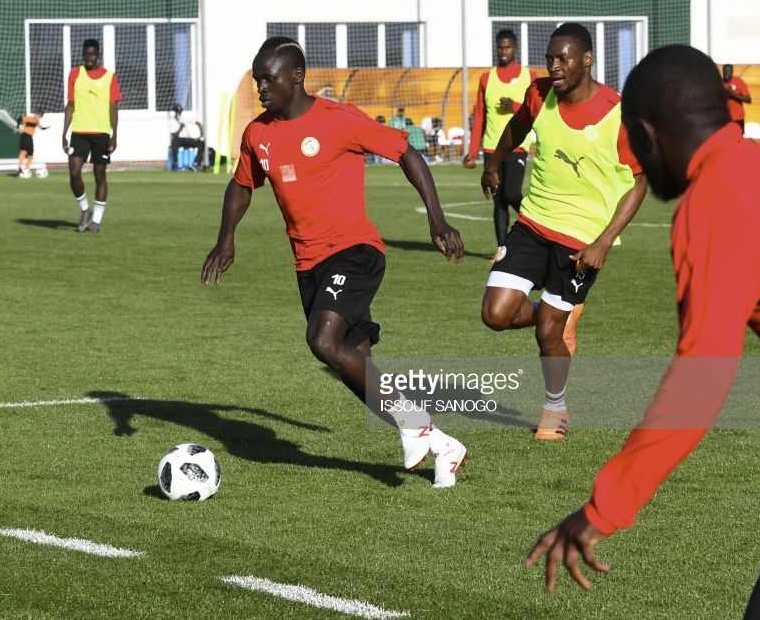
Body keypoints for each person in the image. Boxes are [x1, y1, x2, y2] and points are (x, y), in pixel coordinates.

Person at [524, 44, 760, 617]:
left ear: (646, 133)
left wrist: (602, 509)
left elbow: (701, 377)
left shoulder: (716, 196)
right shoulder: (759, 165)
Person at [201, 37, 469, 487]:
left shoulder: (339, 119)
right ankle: (442, 444)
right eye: (257, 79)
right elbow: (242, 183)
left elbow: (406, 152)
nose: (261, 87)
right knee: (352, 362)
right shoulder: (258, 133)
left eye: (269, 78)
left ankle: (414, 423)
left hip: (355, 250)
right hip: (308, 265)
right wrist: (226, 237)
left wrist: (437, 220)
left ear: (297, 76)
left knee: (322, 340)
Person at [479, 22, 648, 440]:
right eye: (550, 58)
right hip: (534, 221)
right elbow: (517, 127)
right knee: (495, 315)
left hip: (581, 239)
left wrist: (603, 241)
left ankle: (555, 408)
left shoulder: (617, 113)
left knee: (547, 334)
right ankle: (555, 319)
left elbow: (640, 180)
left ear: (587, 60)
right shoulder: (539, 93)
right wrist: (494, 164)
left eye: (563, 58)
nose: (554, 66)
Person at [464, 29, 539, 248]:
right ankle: (502, 251)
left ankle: (534, 222)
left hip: (517, 145)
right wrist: (472, 151)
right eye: (500, 47)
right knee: (498, 202)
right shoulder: (486, 78)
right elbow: (479, 116)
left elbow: (535, 110)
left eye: (507, 47)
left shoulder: (530, 76)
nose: (503, 51)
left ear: (515, 48)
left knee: (512, 193)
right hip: (491, 148)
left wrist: (514, 107)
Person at [61, 38, 121, 233]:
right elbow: (70, 105)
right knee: (74, 171)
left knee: (99, 175)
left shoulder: (109, 77)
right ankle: (85, 209)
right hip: (79, 132)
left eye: (93, 54)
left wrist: (114, 135)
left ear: (98, 55)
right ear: (82, 54)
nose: (89, 57)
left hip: (102, 133)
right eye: (86, 54)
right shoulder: (75, 75)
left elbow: (113, 107)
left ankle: (96, 220)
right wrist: (64, 133)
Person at [168, 103, 205, 171]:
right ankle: (176, 163)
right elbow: (174, 135)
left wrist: (201, 134)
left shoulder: (184, 117)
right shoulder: (172, 121)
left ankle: (195, 163)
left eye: (180, 111)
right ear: (175, 112)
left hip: (187, 139)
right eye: (178, 112)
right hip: (179, 139)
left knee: (201, 143)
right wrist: (180, 128)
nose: (179, 113)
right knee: (174, 142)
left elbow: (197, 123)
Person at [14, 110, 46, 178]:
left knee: (30, 155)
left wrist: (45, 128)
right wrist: (17, 126)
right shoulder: (28, 118)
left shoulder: (37, 122)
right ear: (35, 114)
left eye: (40, 117)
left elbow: (41, 127)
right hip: (25, 136)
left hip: (30, 138)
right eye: (38, 115)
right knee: (23, 152)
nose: (38, 117)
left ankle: (26, 169)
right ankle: (19, 168)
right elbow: (19, 118)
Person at [721, 63, 751, 132]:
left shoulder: (738, 82)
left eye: (728, 71)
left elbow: (748, 100)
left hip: (738, 118)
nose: (726, 73)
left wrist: (733, 94)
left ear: (732, 72)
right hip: (725, 119)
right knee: (726, 140)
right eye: (724, 71)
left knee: (738, 140)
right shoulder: (719, 82)